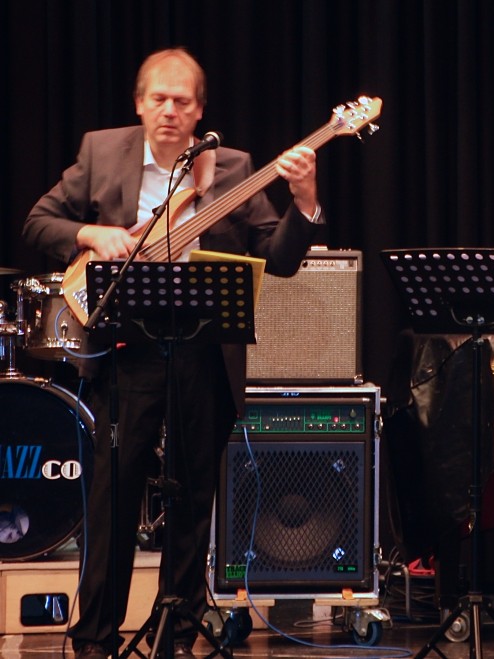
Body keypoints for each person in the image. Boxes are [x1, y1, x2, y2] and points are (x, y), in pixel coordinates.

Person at [22, 48, 324, 659]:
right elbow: (38, 222)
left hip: (201, 350)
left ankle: (176, 634)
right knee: (113, 494)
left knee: (191, 500)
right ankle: (94, 639)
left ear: (200, 110)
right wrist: (92, 233)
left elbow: (284, 259)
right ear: (139, 104)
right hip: (123, 346)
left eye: (182, 100)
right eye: (158, 98)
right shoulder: (102, 151)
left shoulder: (235, 168)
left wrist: (305, 199)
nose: (169, 110)